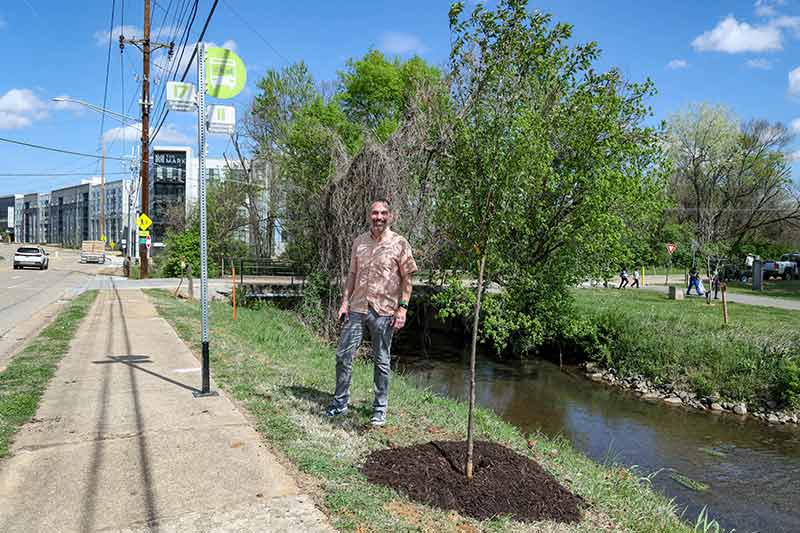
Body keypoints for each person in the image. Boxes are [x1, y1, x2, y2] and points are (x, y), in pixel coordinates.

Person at [325, 199, 417, 427]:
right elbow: (352, 276)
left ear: (391, 216)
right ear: (369, 215)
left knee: (382, 361)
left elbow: (408, 280)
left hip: (384, 312)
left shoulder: (400, 243)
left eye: (383, 213)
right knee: (343, 355)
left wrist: (402, 309)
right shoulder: (359, 242)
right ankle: (340, 403)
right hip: (357, 308)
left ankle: (379, 410)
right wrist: (344, 302)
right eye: (375, 213)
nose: (378, 217)